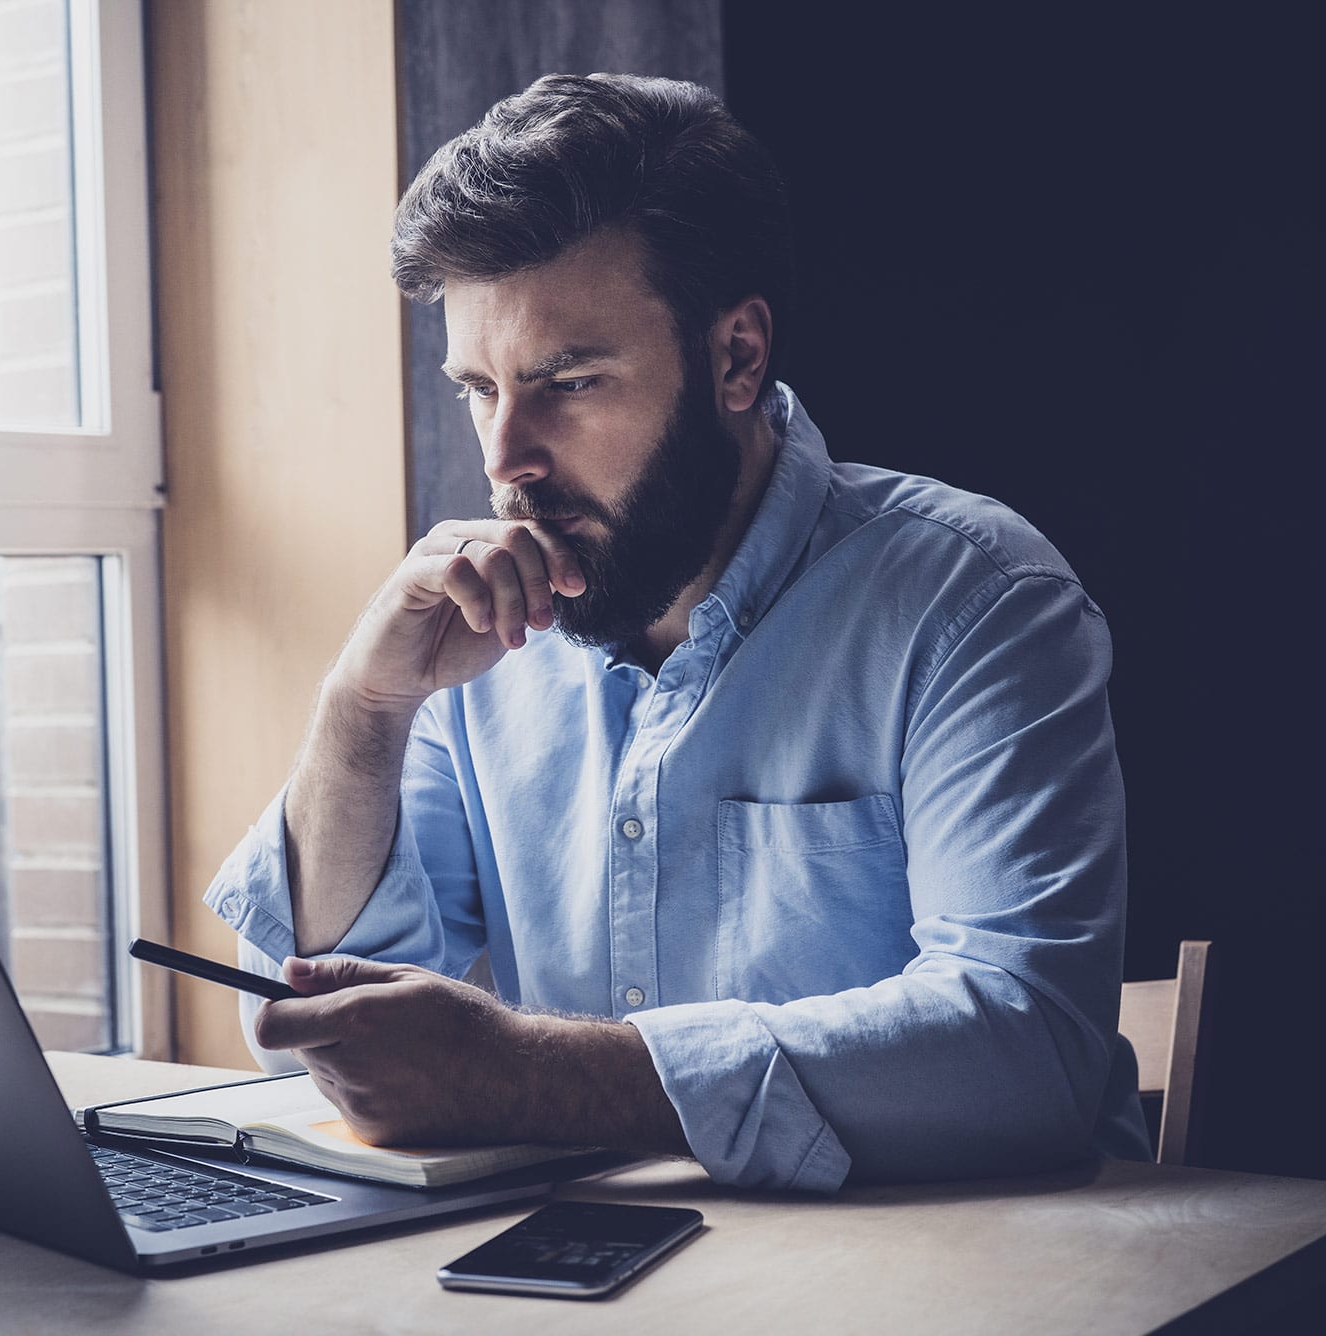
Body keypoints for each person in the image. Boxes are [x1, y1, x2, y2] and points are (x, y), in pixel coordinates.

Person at [201, 73, 1150, 1190]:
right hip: (596, 1283)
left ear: (736, 358)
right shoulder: (477, 629)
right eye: (477, 388)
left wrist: (527, 1075)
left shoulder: (974, 600)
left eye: (567, 380)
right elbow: (332, 1032)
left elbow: (1021, 1047)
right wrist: (360, 713)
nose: (505, 458)